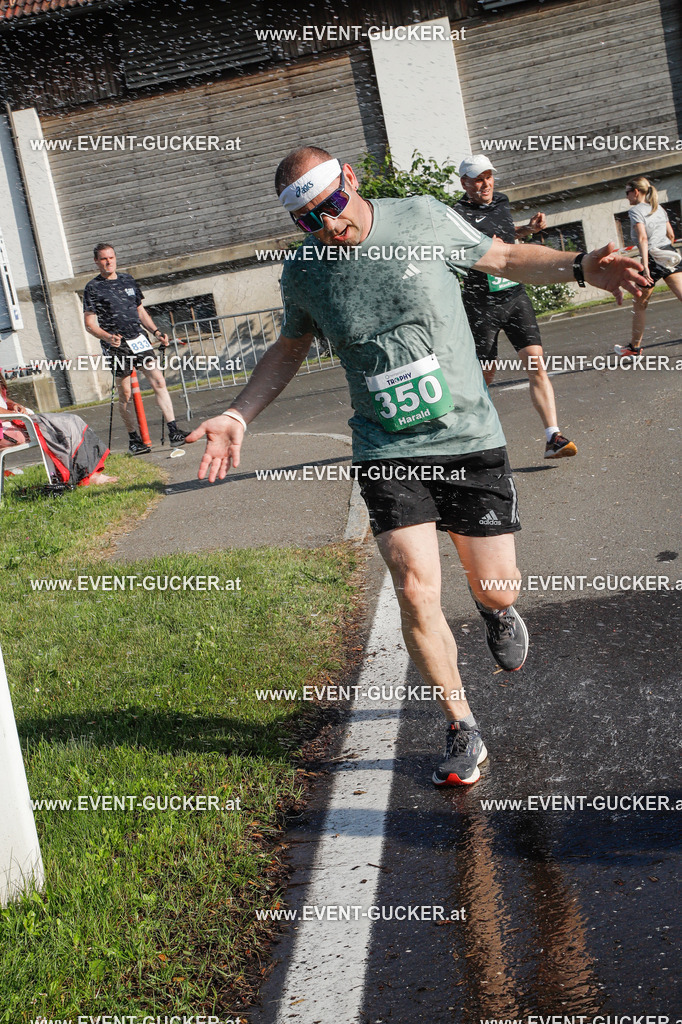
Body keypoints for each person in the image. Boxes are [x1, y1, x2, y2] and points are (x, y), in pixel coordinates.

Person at [186, 147, 645, 786]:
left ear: (350, 179)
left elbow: (506, 256)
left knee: (495, 586)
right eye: (308, 221)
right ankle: (462, 726)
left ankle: (495, 610)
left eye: (333, 207)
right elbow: (289, 347)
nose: (328, 226)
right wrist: (238, 415)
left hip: (467, 436)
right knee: (413, 585)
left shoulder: (423, 220)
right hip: (385, 447)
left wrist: (579, 266)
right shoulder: (306, 272)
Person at [455, 156, 577, 460]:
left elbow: (508, 241)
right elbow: (456, 254)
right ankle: (471, 438)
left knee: (536, 363)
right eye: (477, 179)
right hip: (481, 302)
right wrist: (484, 247)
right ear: (464, 183)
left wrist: (526, 229)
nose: (485, 184)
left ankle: (553, 436)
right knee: (485, 376)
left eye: (488, 177)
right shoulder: (456, 214)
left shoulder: (501, 202)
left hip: (513, 294)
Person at [83, 243, 189, 454]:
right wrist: (107, 337)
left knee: (158, 381)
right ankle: (134, 440)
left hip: (138, 339)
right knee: (126, 395)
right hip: (117, 345)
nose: (108, 262)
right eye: (104, 259)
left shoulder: (127, 280)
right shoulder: (93, 288)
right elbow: (90, 323)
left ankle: (174, 431)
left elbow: (140, 311)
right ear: (96, 261)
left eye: (111, 257)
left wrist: (156, 331)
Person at [0, 368, 117, 486]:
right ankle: (81, 475)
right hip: (6, 433)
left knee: (71, 421)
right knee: (61, 428)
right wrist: (16, 415)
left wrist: (14, 405)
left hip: (11, 423)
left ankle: (86, 472)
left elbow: (2, 400)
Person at [614, 176, 682, 360]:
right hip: (669, 254)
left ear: (636, 192)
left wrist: (645, 265)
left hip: (652, 257)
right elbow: (671, 234)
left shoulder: (636, 211)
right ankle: (633, 347)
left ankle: (634, 348)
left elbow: (643, 239)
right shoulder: (658, 208)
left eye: (627, 192)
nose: (626, 196)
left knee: (640, 305)